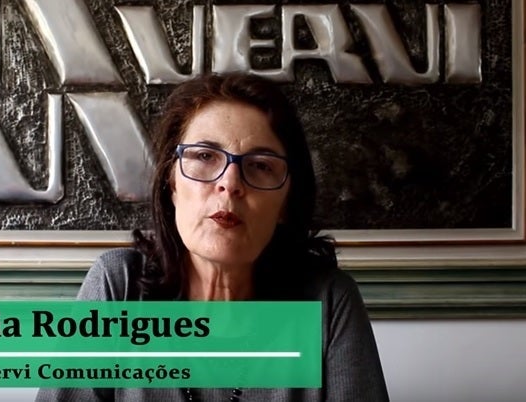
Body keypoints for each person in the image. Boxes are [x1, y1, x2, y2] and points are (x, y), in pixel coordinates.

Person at [36, 73, 389, 401]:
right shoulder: (119, 285)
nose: (230, 184)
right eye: (205, 156)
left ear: (286, 202)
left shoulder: (328, 303)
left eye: (260, 165)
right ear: (171, 184)